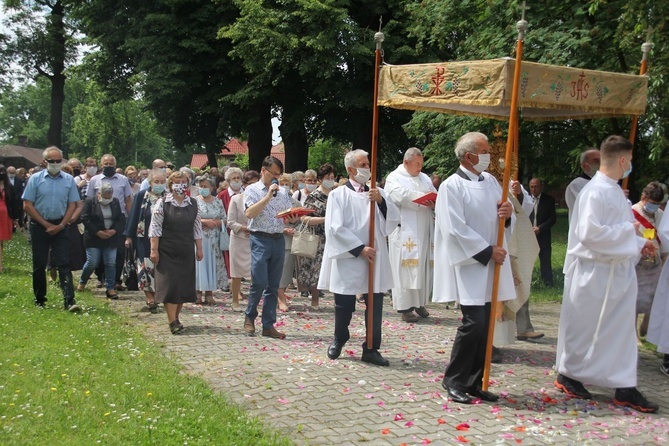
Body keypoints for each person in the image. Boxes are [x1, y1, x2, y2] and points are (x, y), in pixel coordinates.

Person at [555, 135, 658, 413]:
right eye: (631, 161)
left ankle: (624, 385)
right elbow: (589, 234)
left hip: (616, 271)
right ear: (622, 160)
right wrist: (630, 234)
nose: (631, 166)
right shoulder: (595, 191)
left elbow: (623, 228)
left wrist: (640, 243)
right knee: (586, 327)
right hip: (595, 272)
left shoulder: (613, 190)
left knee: (619, 331)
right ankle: (569, 373)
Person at [433, 132, 515, 404]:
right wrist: (486, 251)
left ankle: (475, 381)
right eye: (484, 150)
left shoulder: (491, 181)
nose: (489, 155)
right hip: (472, 263)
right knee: (474, 323)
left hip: (492, 261)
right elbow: (454, 229)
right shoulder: (451, 186)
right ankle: (454, 380)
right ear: (469, 156)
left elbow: (502, 213)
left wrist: (507, 214)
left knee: (486, 326)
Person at [318, 149, 400, 366]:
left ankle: (371, 348)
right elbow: (335, 227)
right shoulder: (338, 195)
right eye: (363, 165)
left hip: (375, 255)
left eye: (368, 164)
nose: (367, 168)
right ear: (351, 169)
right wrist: (359, 248)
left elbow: (393, 219)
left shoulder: (376, 191)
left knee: (374, 303)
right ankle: (340, 337)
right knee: (344, 303)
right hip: (350, 255)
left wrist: (381, 201)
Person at [243, 156, 299, 340]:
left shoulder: (283, 192)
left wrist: (292, 218)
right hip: (260, 238)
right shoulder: (252, 190)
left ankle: (268, 325)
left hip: (278, 238)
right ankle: (250, 316)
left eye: (279, 174)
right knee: (259, 281)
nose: (276, 177)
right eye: (273, 173)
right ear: (263, 170)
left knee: (274, 285)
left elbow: (288, 214)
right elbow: (250, 213)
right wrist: (268, 196)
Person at [22, 146, 82, 311]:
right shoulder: (35, 179)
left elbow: (72, 204)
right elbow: (27, 205)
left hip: (61, 225)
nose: (55, 164)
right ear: (44, 162)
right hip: (39, 225)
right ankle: (40, 299)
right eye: (52, 161)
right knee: (39, 264)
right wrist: (46, 224)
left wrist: (62, 224)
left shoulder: (68, 180)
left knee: (64, 263)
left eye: (58, 161)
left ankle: (69, 300)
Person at [386, 148, 437, 323]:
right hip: (404, 232)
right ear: (406, 162)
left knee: (421, 267)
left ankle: (419, 302)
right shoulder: (394, 177)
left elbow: (433, 194)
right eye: (416, 164)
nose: (419, 167)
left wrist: (432, 201)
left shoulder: (425, 178)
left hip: (423, 231)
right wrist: (423, 197)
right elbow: (400, 196)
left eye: (421, 164)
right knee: (403, 269)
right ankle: (405, 307)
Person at [149, 171, 203, 334]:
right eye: (177, 181)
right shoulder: (162, 203)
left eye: (183, 181)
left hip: (186, 248)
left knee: (182, 286)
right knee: (170, 285)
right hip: (167, 249)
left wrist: (199, 248)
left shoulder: (193, 204)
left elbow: (197, 228)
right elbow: (155, 228)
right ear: (170, 185)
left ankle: (176, 318)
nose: (180, 184)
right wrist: (154, 249)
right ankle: (172, 321)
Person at [87, 154, 133, 290]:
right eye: (105, 164)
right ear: (101, 166)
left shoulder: (123, 180)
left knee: (119, 251)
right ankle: (102, 277)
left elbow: (128, 200)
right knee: (101, 250)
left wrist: (130, 219)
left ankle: (116, 280)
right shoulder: (95, 180)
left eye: (111, 164)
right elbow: (89, 200)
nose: (108, 166)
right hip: (99, 220)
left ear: (115, 165)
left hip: (118, 219)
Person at [124, 169, 167, 313]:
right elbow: (134, 215)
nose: (159, 184)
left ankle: (160, 294)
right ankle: (149, 297)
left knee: (160, 266)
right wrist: (129, 236)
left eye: (162, 182)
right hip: (143, 238)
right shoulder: (142, 196)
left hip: (163, 238)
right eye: (157, 182)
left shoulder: (167, 197)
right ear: (150, 182)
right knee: (144, 266)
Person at [297, 164, 337, 310]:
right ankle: (315, 300)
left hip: (334, 237)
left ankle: (337, 300)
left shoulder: (336, 194)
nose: (330, 180)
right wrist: (325, 219)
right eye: (327, 178)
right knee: (316, 269)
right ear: (320, 179)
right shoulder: (314, 196)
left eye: (332, 178)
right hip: (318, 237)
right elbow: (304, 218)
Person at [631, 182, 667, 339]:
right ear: (643, 197)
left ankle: (646, 325)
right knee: (633, 300)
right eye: (652, 203)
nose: (654, 207)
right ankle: (632, 335)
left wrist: (665, 256)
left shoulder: (660, 214)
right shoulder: (632, 212)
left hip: (655, 264)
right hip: (637, 264)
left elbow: (664, 239)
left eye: (658, 204)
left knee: (654, 298)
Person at [78, 182, 125, 298]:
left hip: (110, 237)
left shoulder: (115, 202)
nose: (107, 199)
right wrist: (98, 232)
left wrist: (113, 231)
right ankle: (82, 281)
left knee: (110, 263)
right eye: (105, 197)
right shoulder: (90, 202)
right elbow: (85, 218)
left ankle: (110, 288)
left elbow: (120, 219)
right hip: (94, 237)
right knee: (92, 262)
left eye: (109, 197)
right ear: (99, 194)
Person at [227, 170, 259, 311]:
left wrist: (254, 229)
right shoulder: (236, 199)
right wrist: (245, 228)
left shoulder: (261, 199)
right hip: (239, 239)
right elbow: (230, 222)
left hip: (256, 238)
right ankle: (235, 299)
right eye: (250, 184)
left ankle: (254, 300)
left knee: (256, 272)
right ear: (244, 184)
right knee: (236, 273)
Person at [194, 175, 227, 305]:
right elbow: (190, 217)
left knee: (211, 264)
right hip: (199, 237)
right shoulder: (194, 201)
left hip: (214, 239)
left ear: (212, 188)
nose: (203, 189)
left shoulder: (218, 202)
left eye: (205, 187)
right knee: (199, 264)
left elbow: (225, 219)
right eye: (201, 186)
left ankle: (209, 293)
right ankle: (197, 293)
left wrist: (217, 223)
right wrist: (204, 221)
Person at [277, 173, 301, 311]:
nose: (285, 187)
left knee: (287, 271)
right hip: (276, 238)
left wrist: (294, 222)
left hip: (290, 240)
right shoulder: (273, 201)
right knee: (277, 270)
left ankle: (280, 294)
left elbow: (300, 221)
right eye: (282, 184)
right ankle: (280, 297)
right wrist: (283, 229)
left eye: (287, 184)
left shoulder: (296, 203)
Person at [217, 167, 244, 288]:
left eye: (238, 178)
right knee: (231, 262)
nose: (236, 180)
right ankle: (234, 289)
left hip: (246, 232)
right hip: (228, 232)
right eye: (234, 178)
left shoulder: (248, 193)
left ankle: (239, 288)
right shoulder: (222, 195)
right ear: (228, 180)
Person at [528, 178, 557, 287]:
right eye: (532, 187)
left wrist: (540, 228)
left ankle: (548, 284)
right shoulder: (525, 200)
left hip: (543, 235)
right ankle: (527, 283)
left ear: (541, 186)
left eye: (536, 186)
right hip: (528, 236)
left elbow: (552, 219)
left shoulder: (549, 200)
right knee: (527, 260)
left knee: (545, 261)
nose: (534, 189)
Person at [565, 148, 600, 219]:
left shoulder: (604, 183)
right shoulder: (576, 185)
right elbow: (588, 209)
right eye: (596, 161)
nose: (601, 164)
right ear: (584, 165)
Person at [0, 164, 21, 272]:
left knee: (1, 240)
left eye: (3, 172)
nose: (1, 174)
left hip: (5, 215)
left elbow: (14, 203)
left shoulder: (9, 187)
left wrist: (15, 218)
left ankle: (0, 263)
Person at [7, 166, 25, 231]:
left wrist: (16, 197)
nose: (12, 174)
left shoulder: (19, 180)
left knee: (18, 215)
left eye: (13, 172)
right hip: (7, 201)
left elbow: (21, 190)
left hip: (17, 201)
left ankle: (17, 227)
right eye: (10, 173)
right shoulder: (5, 180)